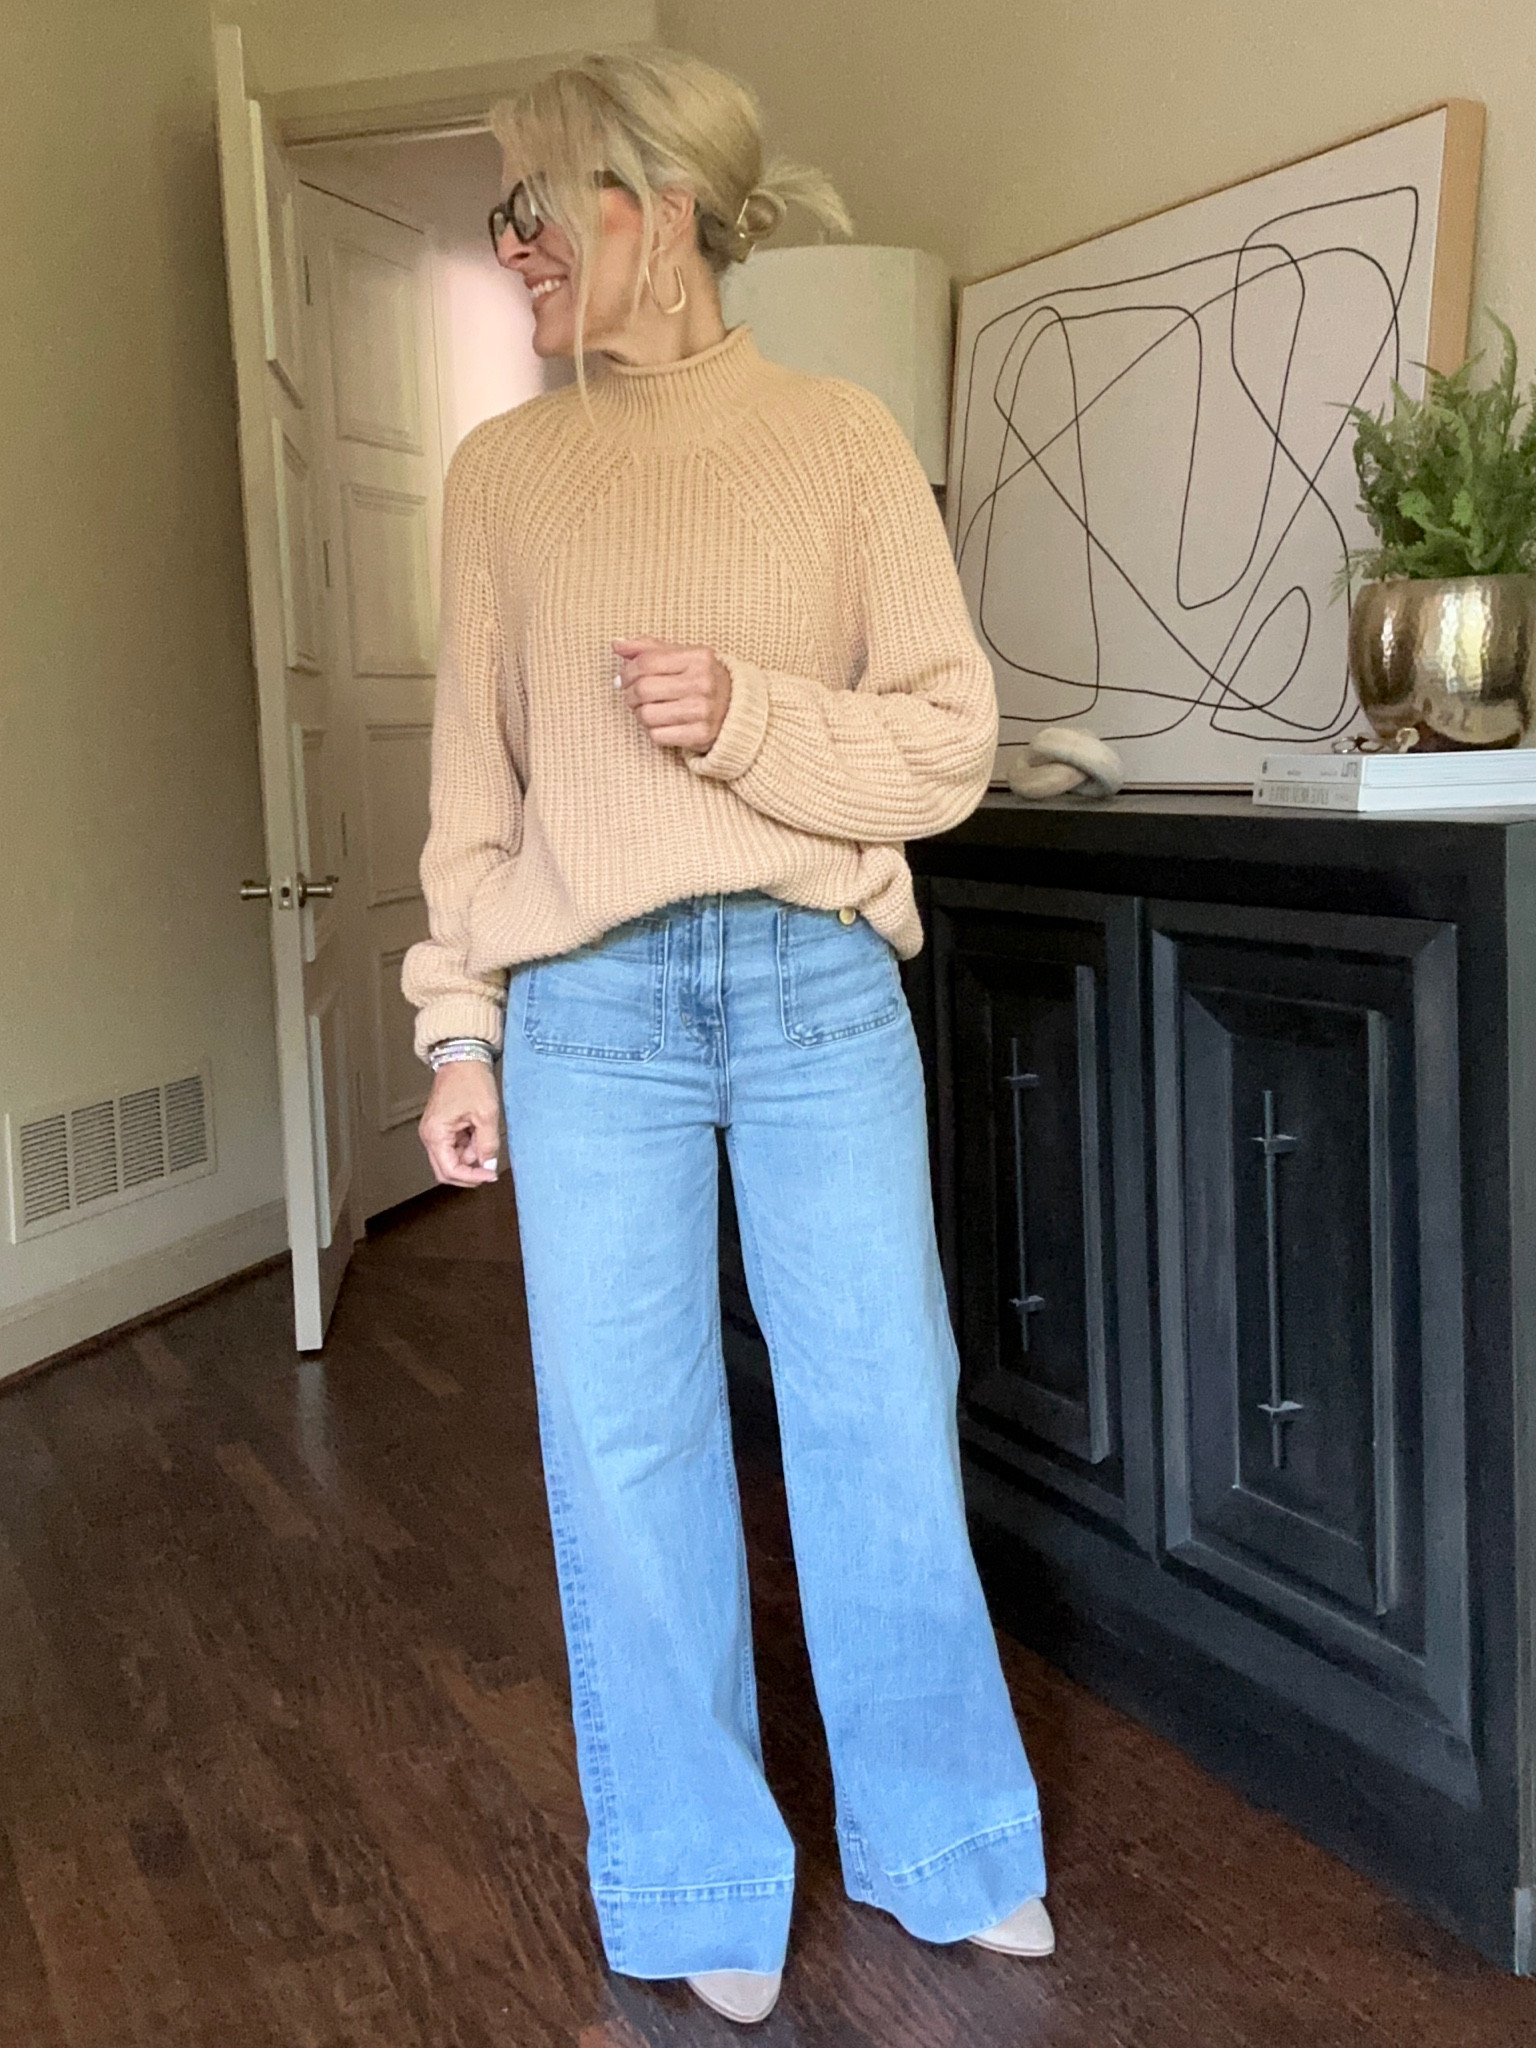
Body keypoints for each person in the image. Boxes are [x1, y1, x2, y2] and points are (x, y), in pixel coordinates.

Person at [403, 47, 1052, 2029]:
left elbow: (950, 740)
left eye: (538, 207)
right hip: (590, 1009)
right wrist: (457, 1032)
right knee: (628, 1446)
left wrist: (752, 717)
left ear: (661, 213)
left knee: (879, 1410)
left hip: (811, 985)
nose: (513, 246)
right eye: (505, 215)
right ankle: (694, 1870)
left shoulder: (840, 440)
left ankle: (947, 1843)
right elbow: (472, 792)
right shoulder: (502, 477)